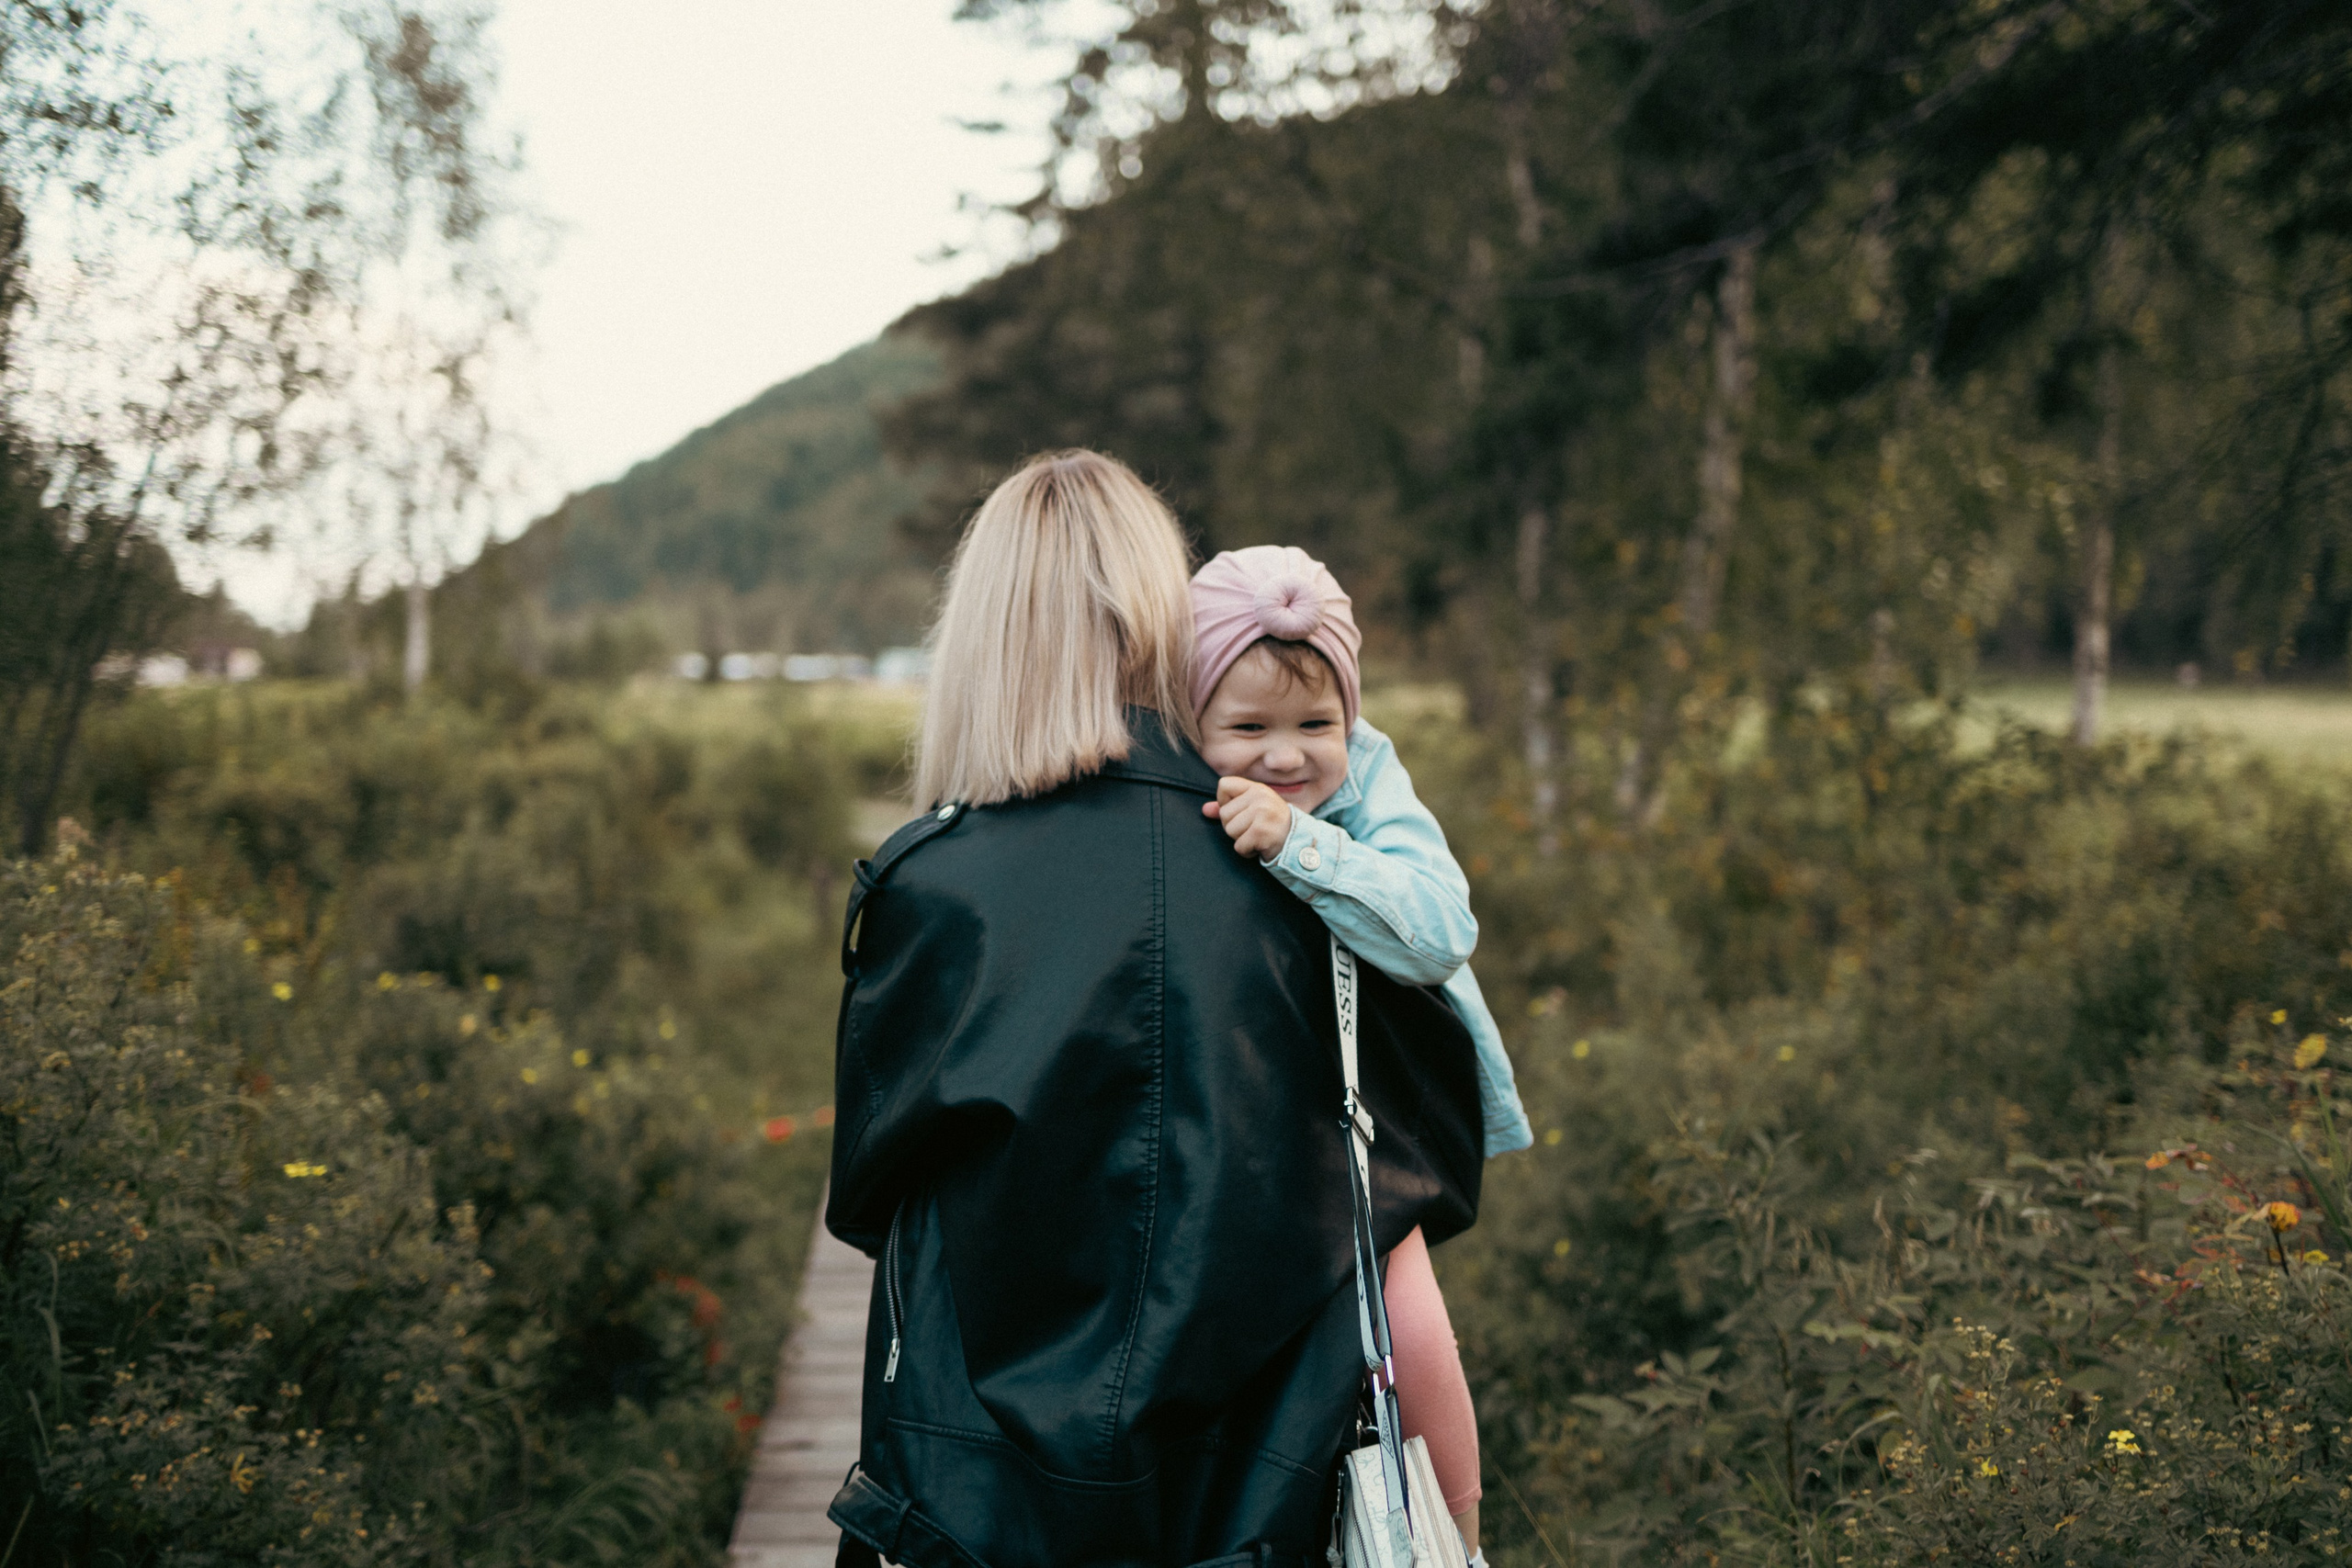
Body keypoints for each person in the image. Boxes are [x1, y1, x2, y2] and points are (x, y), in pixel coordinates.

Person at [824, 451, 1487, 1567]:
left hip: (974, 1511)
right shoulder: (1307, 870)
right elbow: (1408, 1195)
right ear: (1158, 621)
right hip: (1256, 1508)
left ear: (977, 636)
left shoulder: (926, 887)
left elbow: (866, 1204)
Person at [1190, 545, 1532, 1560]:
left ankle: (1452, 1539)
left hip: (1365, 1109)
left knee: (1407, 1315)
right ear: (1187, 715)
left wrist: (1301, 845)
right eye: (1247, 729)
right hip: (1249, 1101)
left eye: (1315, 726)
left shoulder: (1369, 776)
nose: (1286, 758)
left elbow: (1437, 930)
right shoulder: (1165, 790)